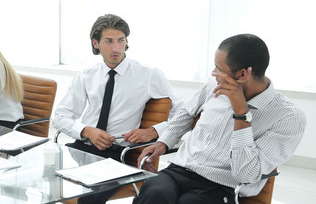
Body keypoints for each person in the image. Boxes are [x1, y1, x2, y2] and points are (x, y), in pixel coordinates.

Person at [133, 34, 306, 204]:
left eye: (219, 68)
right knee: (154, 194)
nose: (213, 73)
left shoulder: (288, 117)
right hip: (179, 170)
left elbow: (246, 174)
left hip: (221, 185)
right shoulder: (214, 86)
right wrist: (164, 142)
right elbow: (187, 112)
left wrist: (242, 114)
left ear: (243, 74)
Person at [52, 13, 183, 203]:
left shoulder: (148, 75)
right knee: (44, 182)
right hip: (81, 148)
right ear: (95, 43)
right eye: (109, 41)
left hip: (116, 155)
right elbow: (59, 116)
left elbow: (184, 114)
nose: (116, 48)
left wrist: (153, 131)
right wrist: (87, 131)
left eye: (121, 40)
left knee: (82, 199)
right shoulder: (87, 75)